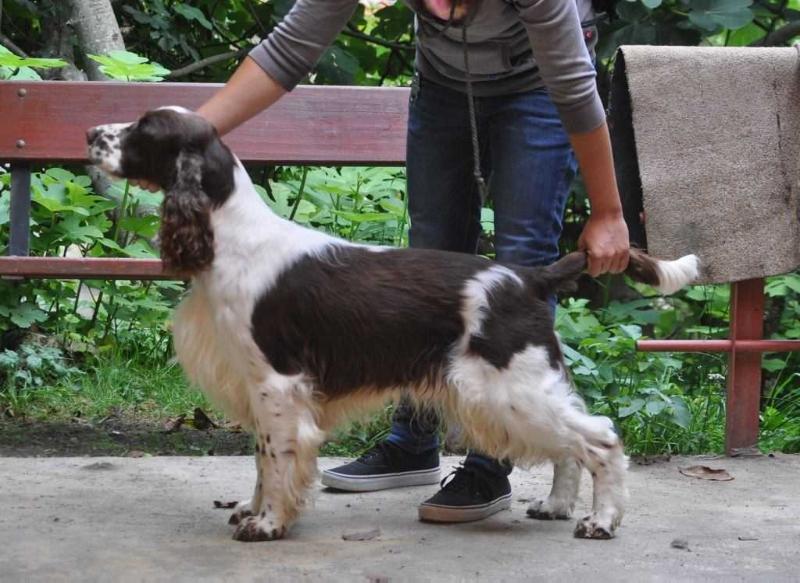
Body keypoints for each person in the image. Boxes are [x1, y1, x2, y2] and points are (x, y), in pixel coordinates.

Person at [140, 0, 630, 523]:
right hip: (442, 84)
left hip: (539, 85)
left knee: (519, 266)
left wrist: (608, 209)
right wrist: (181, 143)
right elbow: (288, 49)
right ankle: (412, 443)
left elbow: (575, 88)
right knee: (429, 251)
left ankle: (489, 465)